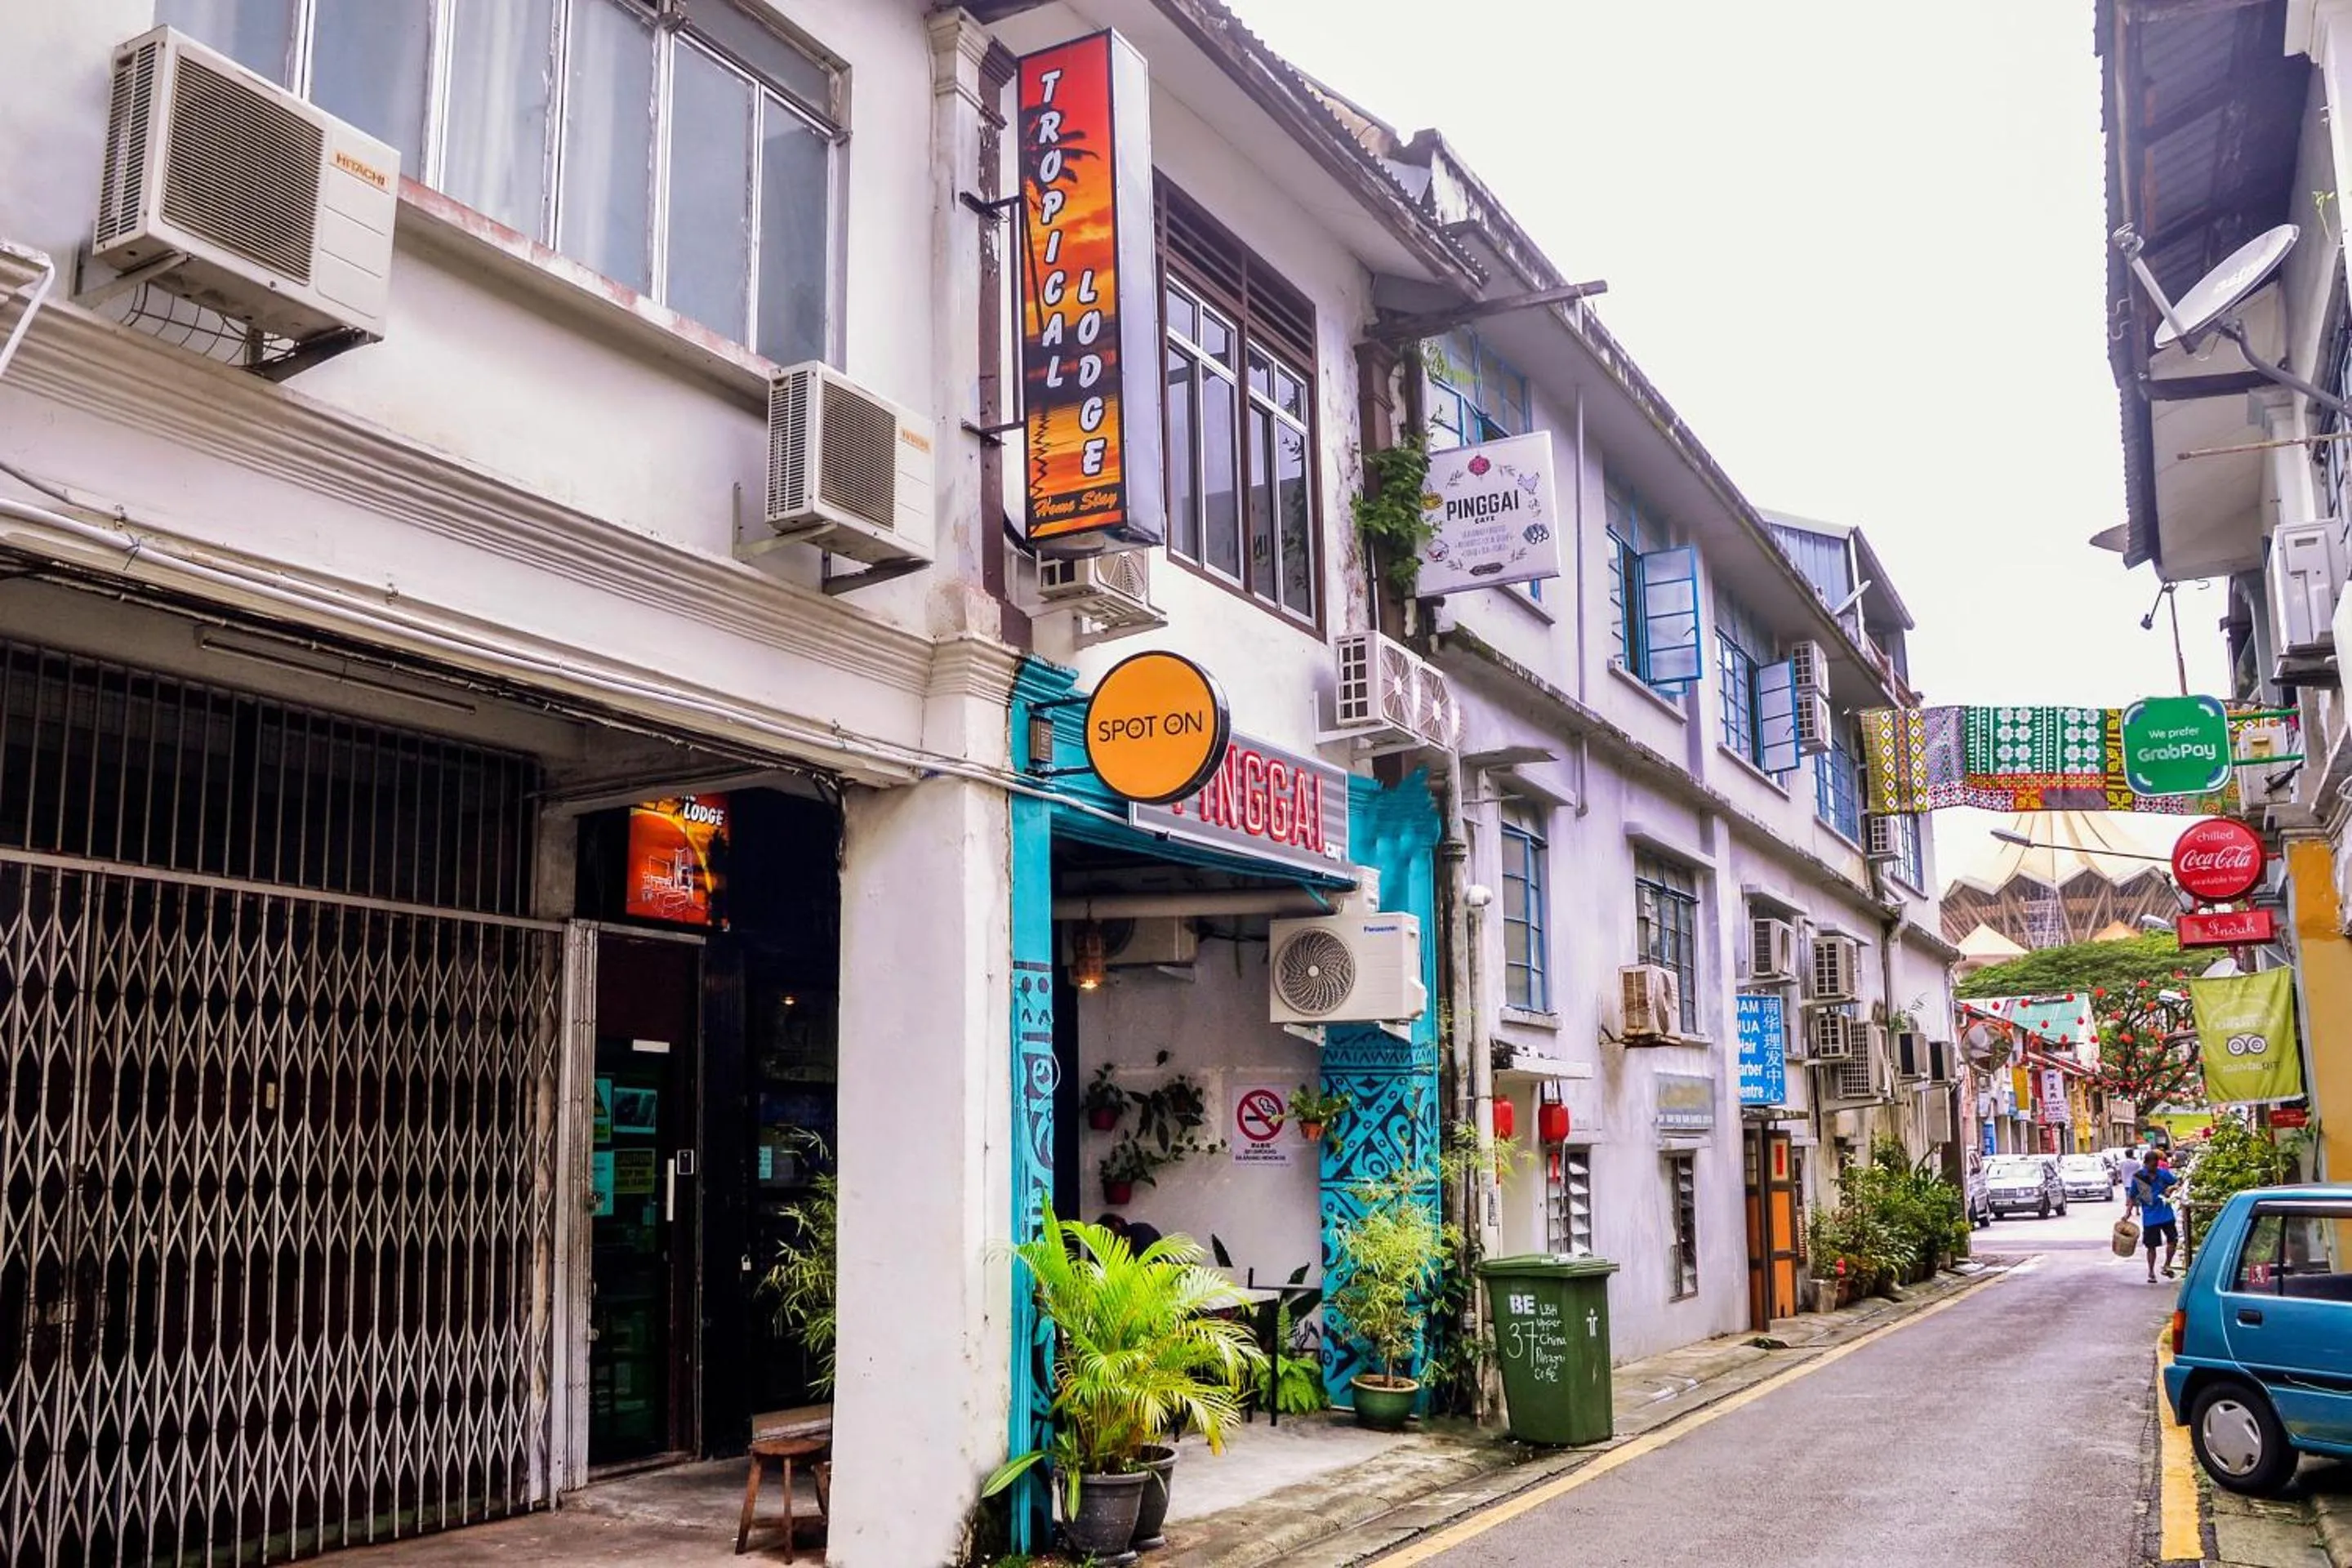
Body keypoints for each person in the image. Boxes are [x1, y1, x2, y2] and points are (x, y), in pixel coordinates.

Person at [2125, 1149, 2180, 1283]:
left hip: (2165, 1213)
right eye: (2151, 1165)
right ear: (2146, 1163)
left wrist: (2171, 1189)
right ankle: (2151, 1271)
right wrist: (2127, 1213)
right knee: (2151, 1246)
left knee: (2173, 1240)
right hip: (2150, 1216)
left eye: (2156, 1165)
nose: (2154, 1168)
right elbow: (2132, 1196)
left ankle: (2167, 1265)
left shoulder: (2163, 1174)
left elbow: (2178, 1182)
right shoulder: (2139, 1177)